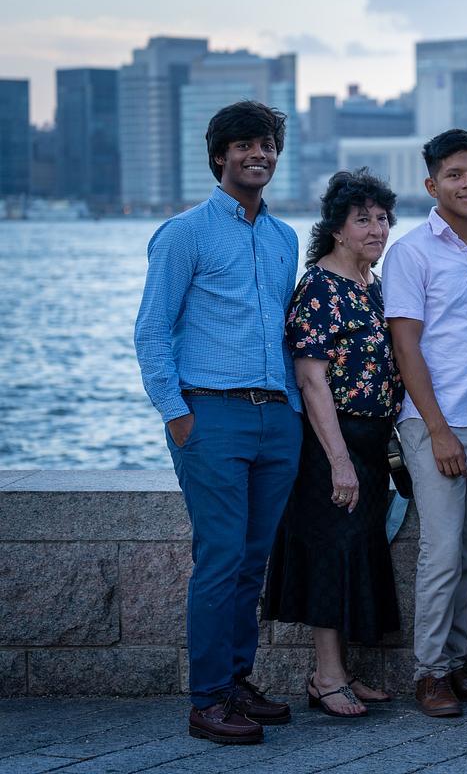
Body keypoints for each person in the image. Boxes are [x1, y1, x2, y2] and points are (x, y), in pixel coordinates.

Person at [134, 101, 301, 744]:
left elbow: (286, 333)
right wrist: (178, 416)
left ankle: (235, 681)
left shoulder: (284, 238)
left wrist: (292, 410)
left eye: (266, 145)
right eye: (243, 146)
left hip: (275, 418)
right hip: (211, 416)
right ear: (219, 157)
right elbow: (151, 332)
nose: (257, 154)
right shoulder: (184, 233)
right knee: (220, 557)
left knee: (253, 560)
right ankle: (206, 698)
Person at [382, 128, 467, 718]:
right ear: (432, 184)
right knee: (439, 552)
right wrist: (437, 429)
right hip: (435, 424)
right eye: (456, 175)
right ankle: (430, 674)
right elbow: (405, 347)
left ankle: (458, 668)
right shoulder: (411, 252)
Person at [263, 169, 402, 718]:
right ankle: (325, 676)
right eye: (363, 219)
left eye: (383, 217)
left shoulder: (370, 282)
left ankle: (341, 672)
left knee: (357, 552)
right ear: (338, 230)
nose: (376, 228)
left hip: (370, 442)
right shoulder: (320, 286)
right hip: (330, 442)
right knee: (331, 552)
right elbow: (310, 379)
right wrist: (339, 461)